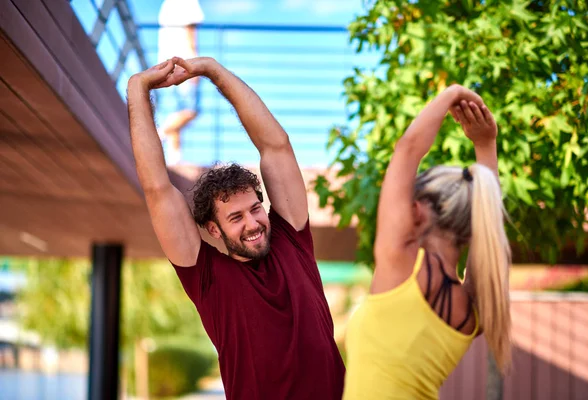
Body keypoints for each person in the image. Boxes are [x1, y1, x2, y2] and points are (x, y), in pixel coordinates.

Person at [126, 58, 345, 400]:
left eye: (255, 209)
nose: (252, 223)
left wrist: (213, 70)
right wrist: (137, 88)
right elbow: (156, 188)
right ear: (213, 230)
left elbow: (276, 145)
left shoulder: (293, 241)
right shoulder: (208, 278)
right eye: (236, 217)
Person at [342, 84, 512, 399]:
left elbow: (407, 149)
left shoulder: (399, 263)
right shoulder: (470, 312)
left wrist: (452, 93)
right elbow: (486, 223)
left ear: (417, 212)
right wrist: (485, 143)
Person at [157, 0, 205, 165]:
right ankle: (159, 134)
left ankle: (174, 159)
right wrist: (193, 67)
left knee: (175, 113)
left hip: (164, 65)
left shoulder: (167, 4)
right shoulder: (189, 2)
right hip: (183, 64)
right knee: (191, 110)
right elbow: (190, 35)